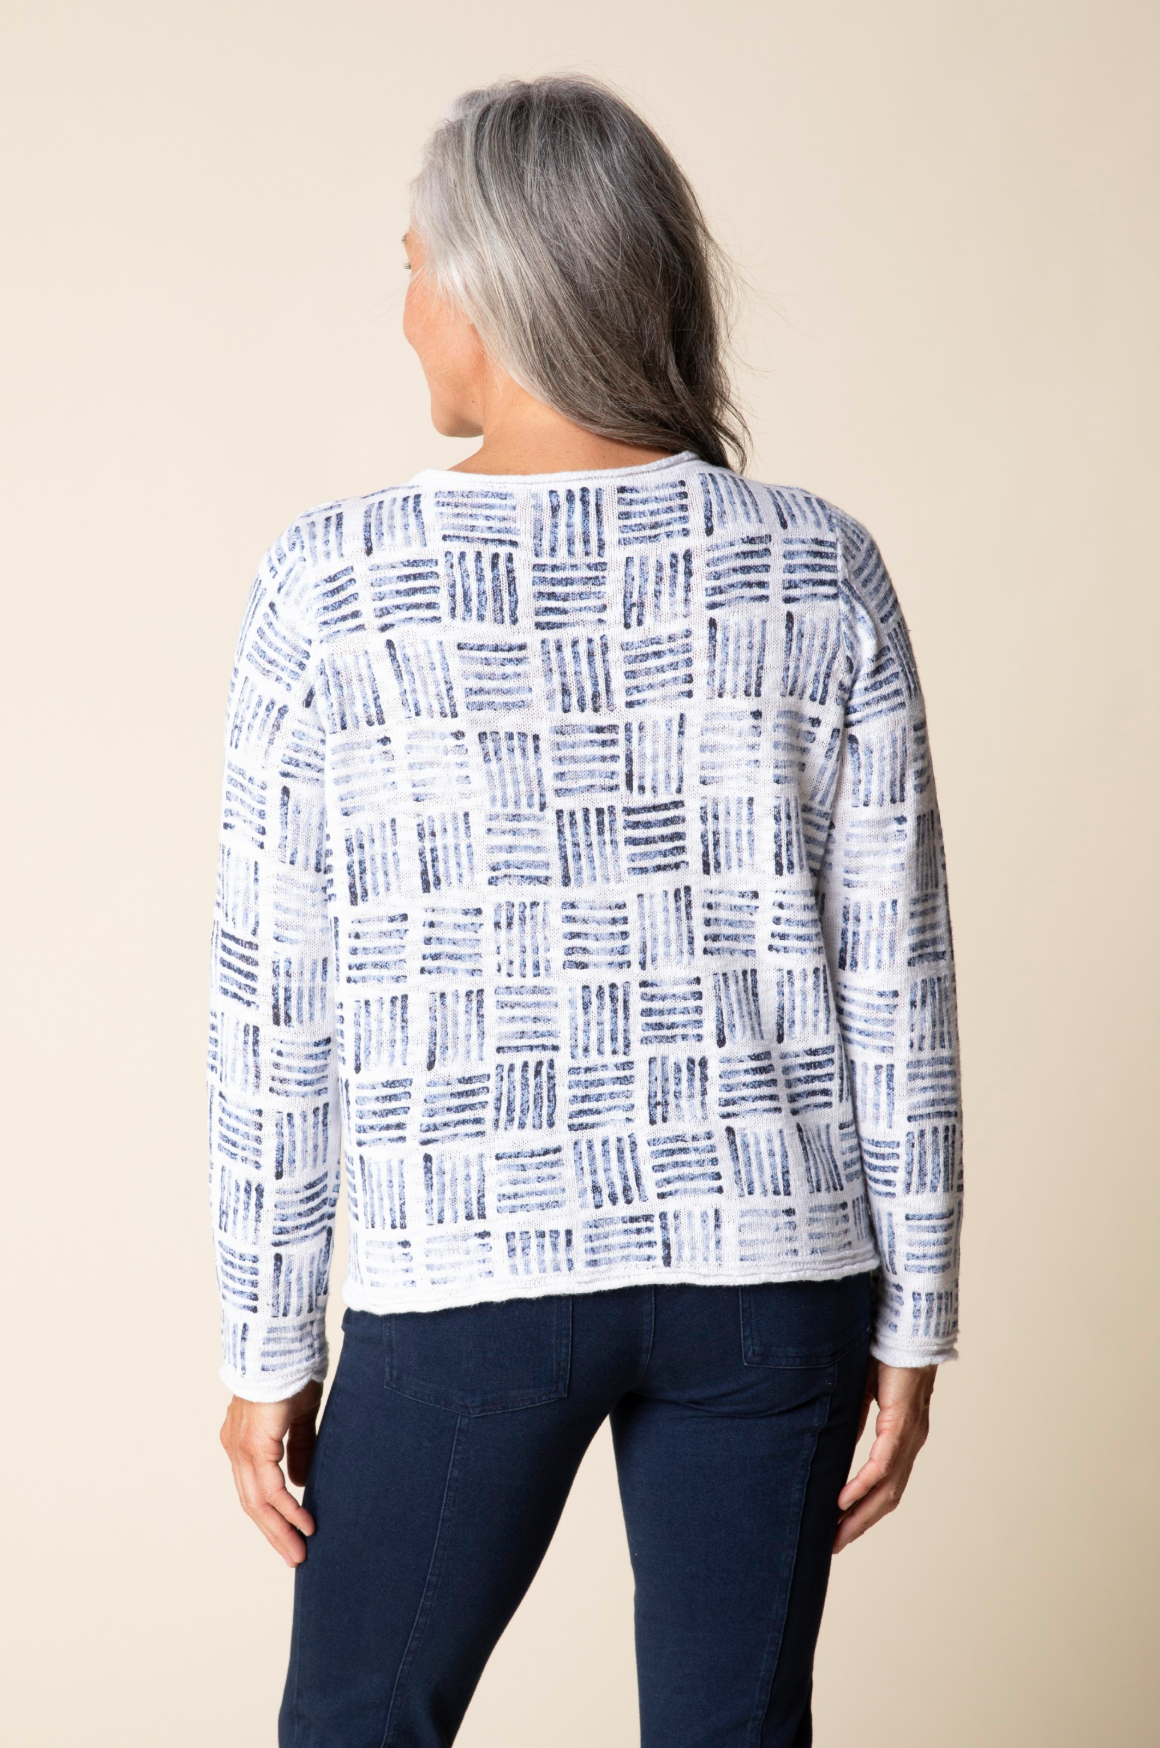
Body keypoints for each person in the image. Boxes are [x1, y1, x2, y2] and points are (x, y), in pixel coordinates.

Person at [210, 74, 963, 1748]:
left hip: (472, 1271)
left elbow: (277, 999)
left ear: (493, 284)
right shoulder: (818, 569)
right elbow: (896, 982)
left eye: (416, 268)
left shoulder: (336, 585)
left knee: (358, 1727)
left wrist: (265, 1343)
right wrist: (914, 1319)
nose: (407, 312)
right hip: (775, 1276)